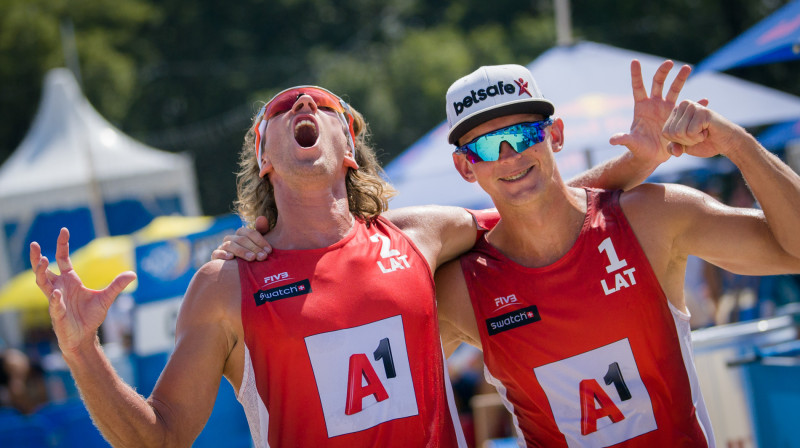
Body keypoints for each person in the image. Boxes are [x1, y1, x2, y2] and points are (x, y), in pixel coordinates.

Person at [31, 62, 681, 447]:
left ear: (347, 146)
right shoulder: (227, 284)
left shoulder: (418, 237)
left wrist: (638, 162)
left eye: (324, 105)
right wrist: (84, 355)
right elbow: (163, 437)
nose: (304, 104)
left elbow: (534, 199)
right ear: (264, 156)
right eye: (285, 108)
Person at [427, 64, 800, 447]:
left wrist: (736, 142)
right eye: (486, 146)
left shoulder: (650, 217)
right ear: (464, 166)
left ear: (554, 135)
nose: (508, 156)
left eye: (523, 135)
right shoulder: (461, 290)